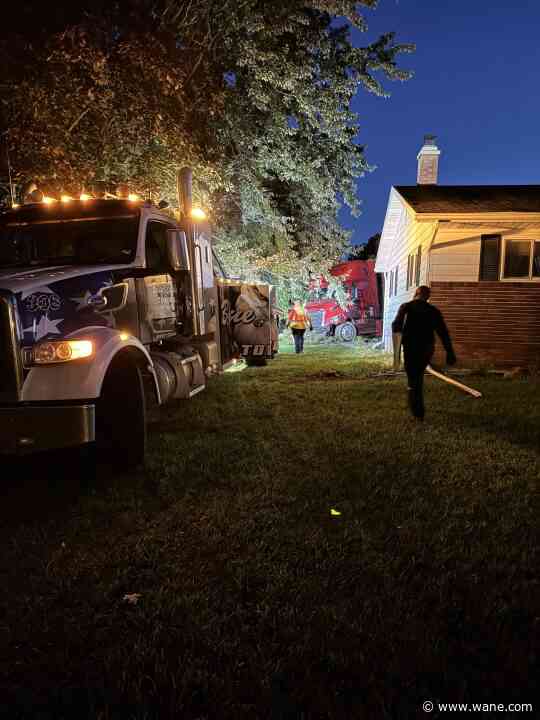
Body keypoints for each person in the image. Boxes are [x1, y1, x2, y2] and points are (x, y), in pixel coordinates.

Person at [391, 285, 456, 421]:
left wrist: (396, 352)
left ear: (416, 294)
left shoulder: (406, 307)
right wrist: (450, 352)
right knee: (418, 376)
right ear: (428, 297)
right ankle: (415, 405)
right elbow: (443, 332)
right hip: (426, 349)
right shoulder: (433, 311)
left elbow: (396, 325)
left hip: (411, 348)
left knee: (413, 377)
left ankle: (417, 409)